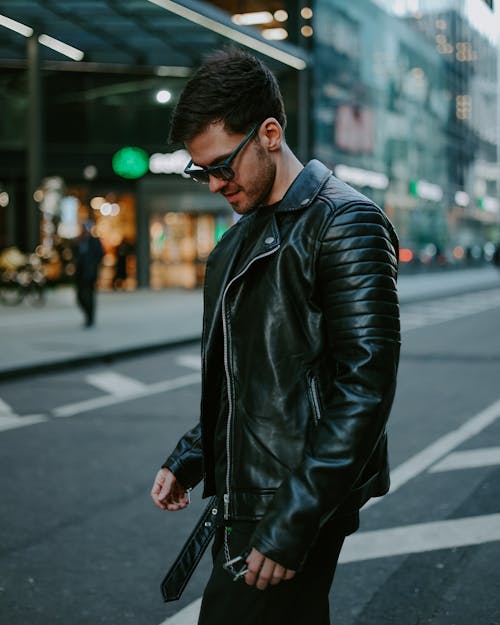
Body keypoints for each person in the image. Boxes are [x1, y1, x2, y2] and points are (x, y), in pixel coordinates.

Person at [151, 47, 400, 625]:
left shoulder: (346, 223)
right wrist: (190, 457)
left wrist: (297, 517)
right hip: (249, 493)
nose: (213, 185)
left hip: (293, 498)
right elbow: (253, 377)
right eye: (200, 170)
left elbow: (364, 392)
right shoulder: (237, 242)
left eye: (221, 166)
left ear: (269, 133)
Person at [73, 220, 104, 327]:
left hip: (90, 274)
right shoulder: (79, 241)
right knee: (80, 297)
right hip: (80, 274)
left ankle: (90, 318)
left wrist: (92, 265)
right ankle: (87, 315)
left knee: (89, 296)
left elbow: (100, 255)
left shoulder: (94, 241)